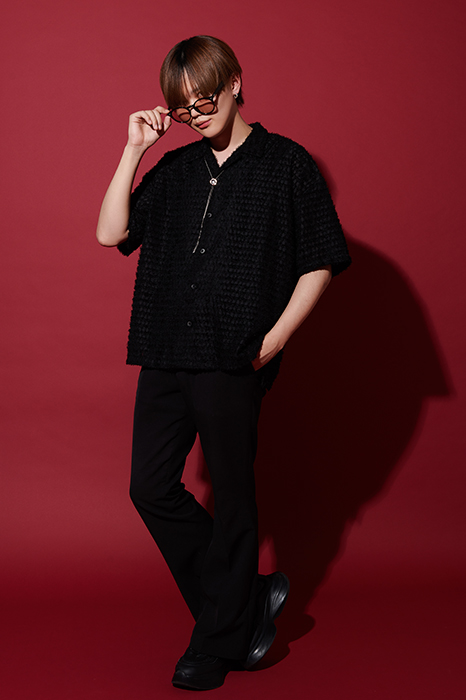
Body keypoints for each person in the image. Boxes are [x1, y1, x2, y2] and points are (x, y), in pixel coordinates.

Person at [96, 35, 351, 691]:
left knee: (234, 498)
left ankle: (217, 640)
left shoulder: (285, 164)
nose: (196, 113)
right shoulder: (176, 169)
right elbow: (111, 232)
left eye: (205, 98)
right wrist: (134, 149)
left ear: (235, 82)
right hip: (163, 349)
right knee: (150, 487)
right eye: (183, 107)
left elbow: (321, 259)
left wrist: (275, 339)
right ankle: (246, 598)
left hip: (234, 355)